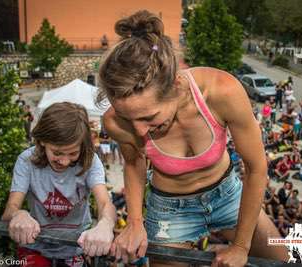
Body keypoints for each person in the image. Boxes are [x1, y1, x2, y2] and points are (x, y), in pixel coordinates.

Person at [96, 10, 288, 266]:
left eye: (149, 117)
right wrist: (134, 222)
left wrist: (241, 246)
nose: (140, 131)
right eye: (128, 118)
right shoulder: (114, 121)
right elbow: (133, 163)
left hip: (227, 196)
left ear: (175, 86)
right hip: (168, 211)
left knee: (285, 259)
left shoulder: (223, 92)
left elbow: (256, 168)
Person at [2, 103, 116, 267]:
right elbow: (9, 210)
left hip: (75, 247)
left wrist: (106, 224)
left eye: (73, 153)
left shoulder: (90, 160)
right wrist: (19, 214)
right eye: (57, 152)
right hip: (35, 246)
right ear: (42, 141)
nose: (64, 161)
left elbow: (105, 203)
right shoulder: (26, 160)